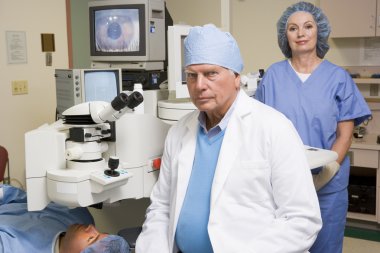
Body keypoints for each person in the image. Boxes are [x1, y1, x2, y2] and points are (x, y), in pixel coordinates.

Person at [136, 23, 322, 253]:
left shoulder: (273, 128)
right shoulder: (179, 132)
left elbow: (302, 221)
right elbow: (162, 207)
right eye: (192, 76)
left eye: (210, 73)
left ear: (236, 77)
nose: (199, 85)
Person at [255, 2, 372, 253]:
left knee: (325, 247)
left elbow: (344, 135)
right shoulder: (273, 76)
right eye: (293, 28)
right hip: (281, 186)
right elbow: (259, 130)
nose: (301, 33)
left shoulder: (338, 78)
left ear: (318, 30)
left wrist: (324, 175)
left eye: (308, 26)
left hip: (327, 186)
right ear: (284, 36)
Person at [0, 184, 130, 253]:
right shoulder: (78, 214)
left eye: (91, 239)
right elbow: (24, 198)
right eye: (102, 233)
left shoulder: (10, 248)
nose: (91, 228)